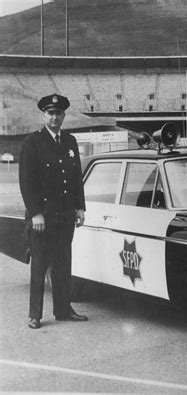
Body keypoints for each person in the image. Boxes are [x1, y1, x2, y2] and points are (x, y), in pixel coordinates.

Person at [19, 93, 88, 329]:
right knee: (39, 265)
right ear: (44, 114)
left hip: (65, 215)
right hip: (43, 217)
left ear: (64, 115)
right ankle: (35, 315)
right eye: (51, 113)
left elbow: (76, 177)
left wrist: (80, 207)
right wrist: (35, 212)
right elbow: (27, 182)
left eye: (59, 113)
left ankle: (63, 309)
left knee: (63, 264)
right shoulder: (32, 143)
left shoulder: (70, 141)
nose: (55, 117)